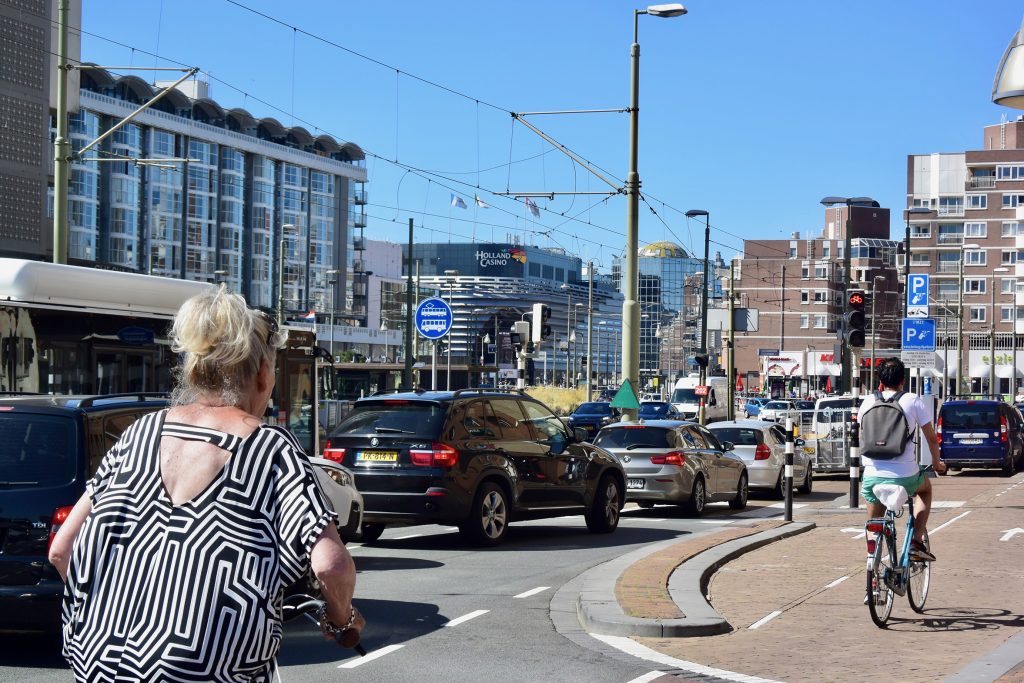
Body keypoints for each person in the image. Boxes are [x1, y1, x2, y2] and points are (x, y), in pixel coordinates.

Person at [48, 287, 362, 682]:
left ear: (192, 369)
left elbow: (63, 550)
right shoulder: (270, 447)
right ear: (263, 374)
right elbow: (331, 565)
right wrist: (342, 619)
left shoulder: (137, 435)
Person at [859, 357, 946, 562]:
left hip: (872, 475)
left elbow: (861, 437)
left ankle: (872, 563)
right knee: (925, 490)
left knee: (874, 523)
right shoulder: (912, 400)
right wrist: (936, 463)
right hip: (905, 475)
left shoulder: (867, 401)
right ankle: (916, 542)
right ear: (902, 381)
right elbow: (931, 439)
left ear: (880, 381)